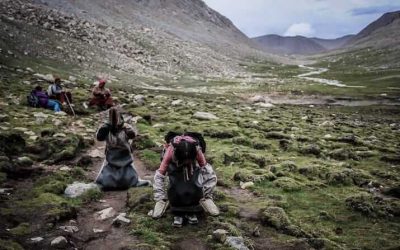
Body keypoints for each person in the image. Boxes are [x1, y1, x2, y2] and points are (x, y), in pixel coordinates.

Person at [152, 133, 219, 227]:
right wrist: (160, 198)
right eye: (184, 161)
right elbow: (159, 175)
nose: (186, 162)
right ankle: (177, 210)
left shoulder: (197, 150)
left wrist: (207, 195)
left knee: (194, 184)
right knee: (175, 185)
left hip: (193, 168)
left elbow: (209, 173)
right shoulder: (170, 151)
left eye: (188, 161)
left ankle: (193, 208)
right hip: (175, 167)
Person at [95, 107, 151, 190]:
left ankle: (115, 182)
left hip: (124, 155)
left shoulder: (125, 128)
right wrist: (105, 128)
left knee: (123, 172)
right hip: (112, 155)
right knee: (109, 172)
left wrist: (125, 128)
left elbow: (132, 135)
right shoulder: (106, 128)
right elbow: (100, 137)